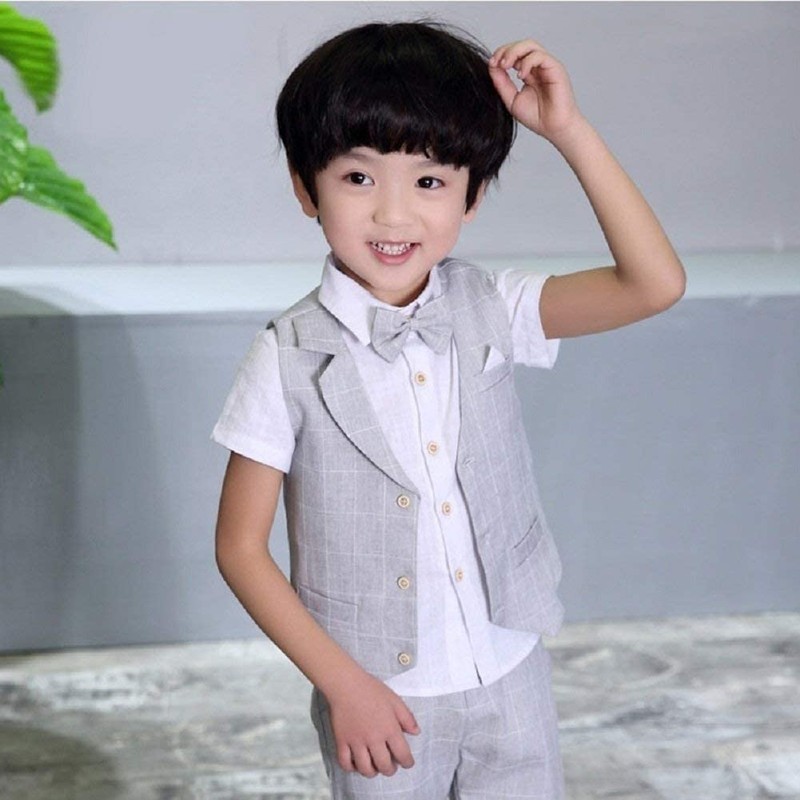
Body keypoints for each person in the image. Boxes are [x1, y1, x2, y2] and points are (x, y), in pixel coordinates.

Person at [212, 20, 685, 800]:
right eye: (358, 177)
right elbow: (239, 548)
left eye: (430, 181)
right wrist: (343, 684)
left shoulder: (492, 304)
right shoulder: (287, 355)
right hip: (380, 696)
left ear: (473, 196)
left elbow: (654, 283)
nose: (394, 216)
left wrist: (568, 132)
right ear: (305, 187)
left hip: (510, 661)